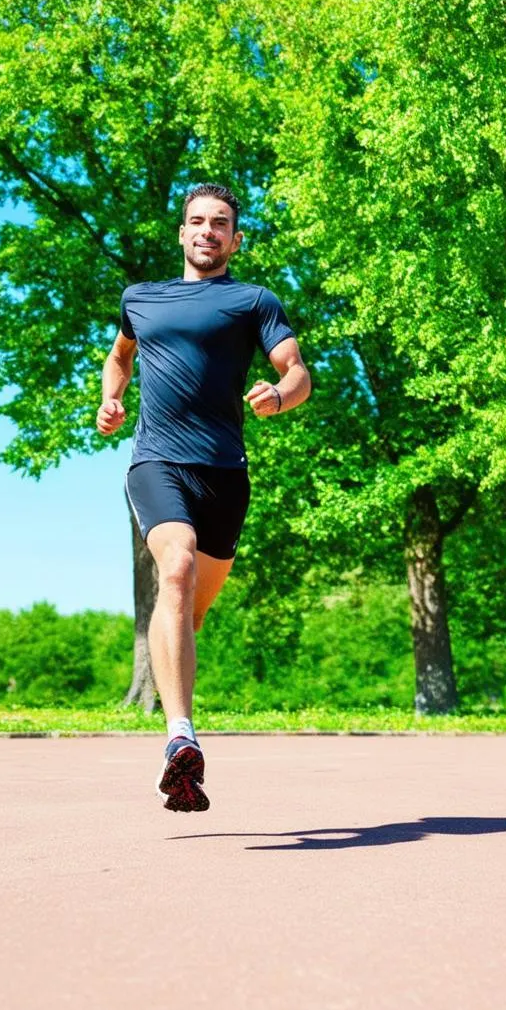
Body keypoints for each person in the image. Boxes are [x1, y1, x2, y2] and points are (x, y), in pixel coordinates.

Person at [96, 183, 311, 812]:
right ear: (182, 233)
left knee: (187, 611)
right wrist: (111, 399)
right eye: (197, 221)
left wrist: (280, 393)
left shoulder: (253, 301)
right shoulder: (141, 298)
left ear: (234, 239)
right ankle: (180, 740)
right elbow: (119, 358)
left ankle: (174, 689)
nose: (207, 231)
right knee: (178, 566)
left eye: (220, 224)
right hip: (156, 461)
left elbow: (297, 371)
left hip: (225, 475)